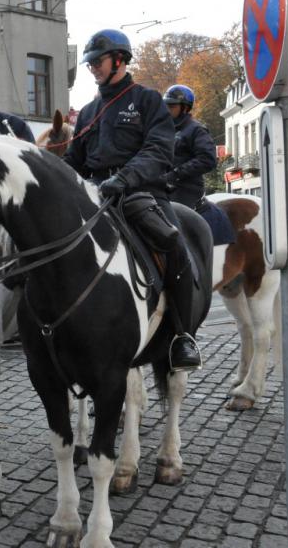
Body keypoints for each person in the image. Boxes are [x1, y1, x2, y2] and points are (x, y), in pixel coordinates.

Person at [62, 29, 201, 372]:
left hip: (140, 192)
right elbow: (73, 160)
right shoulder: (90, 110)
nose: (92, 68)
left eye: (98, 61)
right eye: (90, 63)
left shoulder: (147, 100)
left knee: (173, 243)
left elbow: (159, 149)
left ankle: (182, 336)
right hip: (95, 195)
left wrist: (124, 178)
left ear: (119, 60)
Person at [161, 84, 218, 208]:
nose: (167, 110)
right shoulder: (163, 130)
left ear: (185, 108)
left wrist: (175, 174)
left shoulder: (196, 129)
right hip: (162, 187)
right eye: (166, 106)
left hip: (185, 190)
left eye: (172, 106)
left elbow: (208, 159)